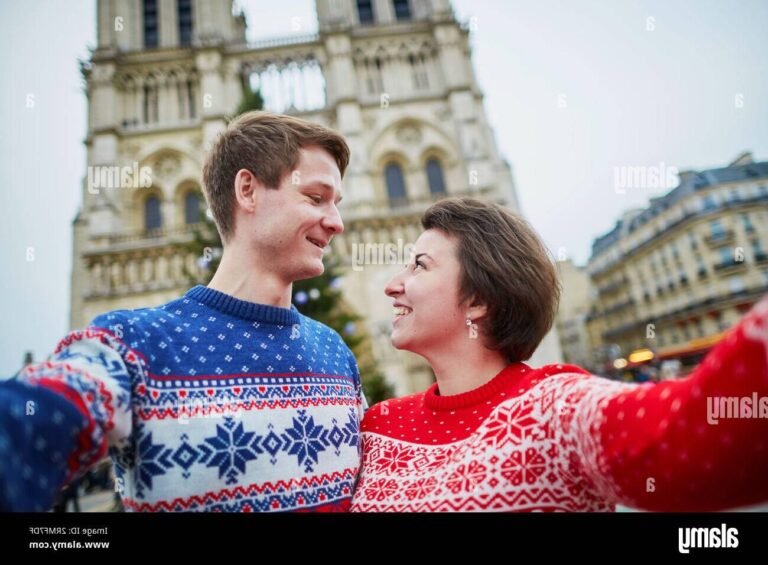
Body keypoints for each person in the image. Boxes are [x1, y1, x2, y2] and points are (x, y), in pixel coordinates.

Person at [0, 111, 366, 512]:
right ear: (248, 190)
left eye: (337, 203)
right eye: (316, 198)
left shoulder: (336, 354)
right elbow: (33, 419)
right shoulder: (131, 348)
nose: (337, 223)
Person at [350, 197, 768, 512]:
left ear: (477, 298)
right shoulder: (379, 424)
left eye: (419, 266)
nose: (392, 284)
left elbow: (695, 436)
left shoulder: (553, 409)